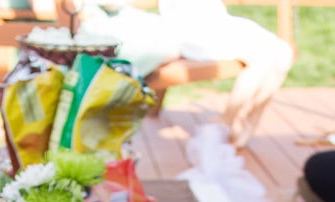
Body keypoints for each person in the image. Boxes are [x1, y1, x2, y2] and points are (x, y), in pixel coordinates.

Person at [80, 1, 294, 148]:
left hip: (218, 21)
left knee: (283, 53)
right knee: (263, 57)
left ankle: (248, 120)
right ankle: (229, 121)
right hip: (192, 27)